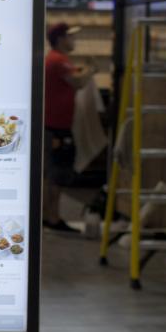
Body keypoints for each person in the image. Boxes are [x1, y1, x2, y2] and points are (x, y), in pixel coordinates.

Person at [43, 22, 94, 232]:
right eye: (71, 37)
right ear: (61, 39)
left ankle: (49, 216)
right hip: (56, 128)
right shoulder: (57, 60)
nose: (74, 41)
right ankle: (52, 218)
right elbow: (78, 82)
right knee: (56, 175)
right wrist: (92, 70)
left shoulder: (57, 61)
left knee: (52, 174)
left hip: (55, 126)